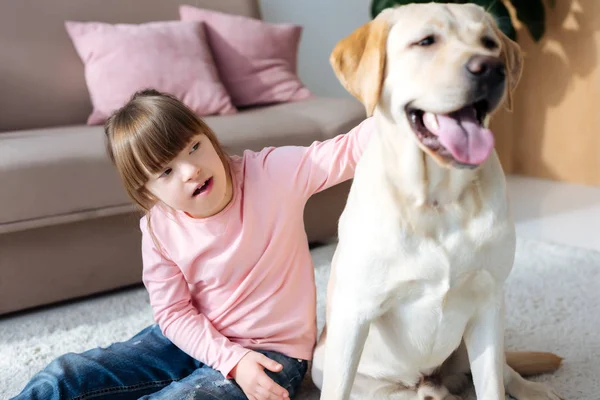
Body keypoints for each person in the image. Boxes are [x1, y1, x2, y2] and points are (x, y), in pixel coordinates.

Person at [13, 89, 375, 400]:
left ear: (208, 134)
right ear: (147, 191)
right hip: (194, 340)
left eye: (194, 147)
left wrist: (405, 105)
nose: (191, 170)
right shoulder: (158, 226)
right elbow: (172, 313)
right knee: (65, 376)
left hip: (270, 352)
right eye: (166, 172)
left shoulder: (272, 174)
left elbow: (346, 151)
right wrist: (225, 356)